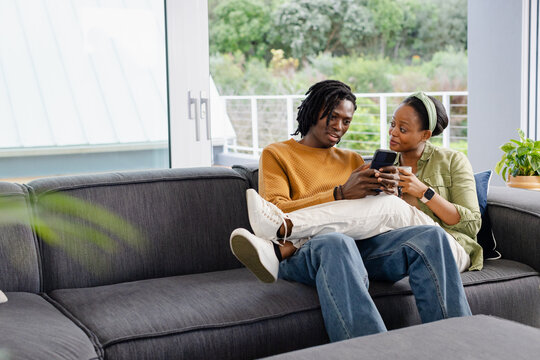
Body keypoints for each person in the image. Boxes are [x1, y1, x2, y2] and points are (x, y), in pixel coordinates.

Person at [230, 80, 475, 342]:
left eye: (346, 121)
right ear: (313, 110)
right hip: (309, 253)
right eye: (332, 116)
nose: (339, 127)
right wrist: (339, 193)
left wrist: (387, 193)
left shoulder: (353, 159)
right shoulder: (277, 154)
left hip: (359, 248)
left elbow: (364, 218)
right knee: (337, 241)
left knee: (431, 237)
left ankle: (458, 347)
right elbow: (276, 209)